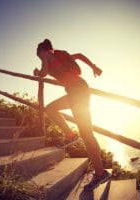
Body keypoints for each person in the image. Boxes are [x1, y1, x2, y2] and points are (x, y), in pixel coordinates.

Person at [33, 39, 111, 191]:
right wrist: (93, 66)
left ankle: (71, 136)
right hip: (79, 88)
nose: (40, 58)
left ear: (42, 51)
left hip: (76, 91)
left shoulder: (46, 56)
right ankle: (100, 171)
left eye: (39, 55)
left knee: (53, 111)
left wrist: (37, 72)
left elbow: (42, 73)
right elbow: (80, 55)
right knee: (86, 133)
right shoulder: (61, 55)